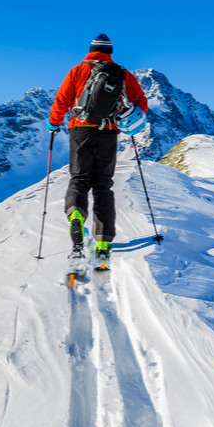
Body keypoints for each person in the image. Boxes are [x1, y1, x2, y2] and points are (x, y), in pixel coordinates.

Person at [47, 34, 148, 259]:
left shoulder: (77, 71)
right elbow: (141, 101)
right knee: (103, 185)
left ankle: (76, 216)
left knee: (79, 178)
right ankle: (103, 241)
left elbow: (62, 100)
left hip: (81, 129)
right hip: (109, 131)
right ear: (110, 52)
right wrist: (128, 119)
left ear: (90, 50)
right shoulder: (122, 74)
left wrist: (53, 123)